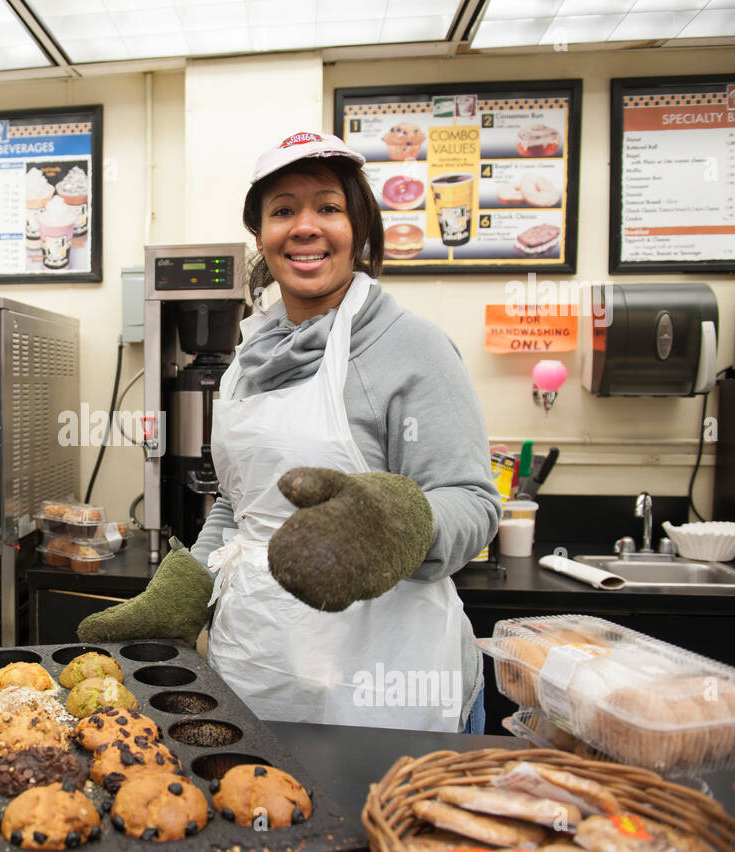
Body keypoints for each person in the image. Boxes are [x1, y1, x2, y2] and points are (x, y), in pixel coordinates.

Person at [80, 131, 500, 733]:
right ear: (261, 236)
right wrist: (187, 588)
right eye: (283, 211)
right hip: (259, 666)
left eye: (328, 208)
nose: (305, 227)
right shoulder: (251, 354)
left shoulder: (413, 348)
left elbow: (472, 502)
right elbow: (240, 503)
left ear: (358, 226)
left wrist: (390, 528)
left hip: (384, 680)